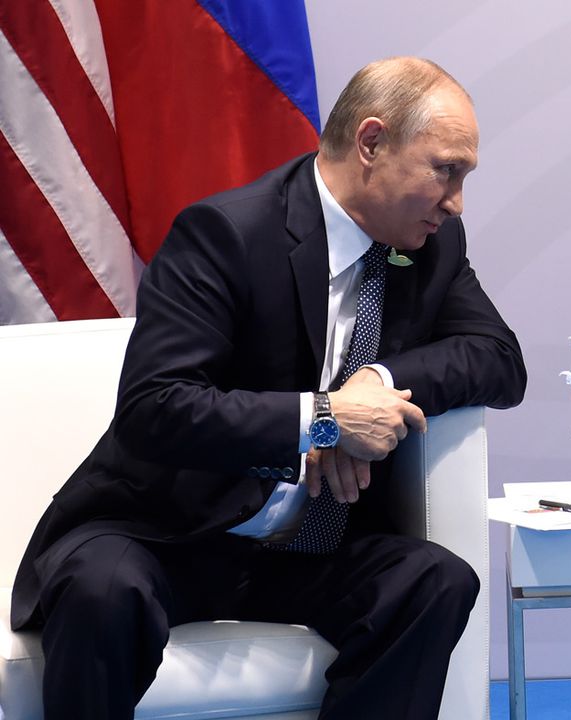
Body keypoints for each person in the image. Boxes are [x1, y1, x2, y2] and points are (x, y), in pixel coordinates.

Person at [10, 57, 526, 719]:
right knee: (102, 589)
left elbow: (498, 360)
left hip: (305, 551)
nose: (456, 202)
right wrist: (324, 418)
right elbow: (154, 406)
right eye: (445, 171)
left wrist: (379, 382)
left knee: (432, 581)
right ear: (370, 144)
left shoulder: (431, 245)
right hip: (167, 532)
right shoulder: (227, 234)